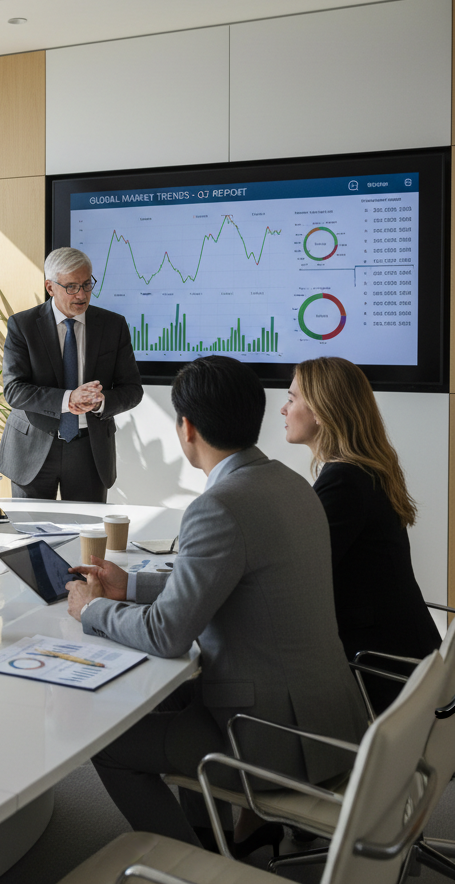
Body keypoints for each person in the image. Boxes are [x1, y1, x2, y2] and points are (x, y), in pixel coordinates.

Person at [66, 355, 366, 851]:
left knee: (110, 747)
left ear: (186, 428)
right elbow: (234, 581)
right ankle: (210, 838)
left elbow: (167, 634)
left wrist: (90, 609)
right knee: (169, 697)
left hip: (272, 738)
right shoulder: (292, 484)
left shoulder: (218, 506)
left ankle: (188, 866)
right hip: (330, 718)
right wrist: (132, 586)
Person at [282, 356, 440, 711]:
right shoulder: (366, 470)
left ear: (322, 411)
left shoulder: (344, 481)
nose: (283, 409)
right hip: (410, 658)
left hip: (379, 671)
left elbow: (300, 574)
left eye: (292, 399)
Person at [0, 247, 142, 502]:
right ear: (50, 287)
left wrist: (101, 401)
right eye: (72, 287)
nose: (82, 294)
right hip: (32, 449)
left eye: (87, 284)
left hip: (89, 449)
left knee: (88, 538)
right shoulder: (23, 325)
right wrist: (69, 399)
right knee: (32, 538)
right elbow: (15, 391)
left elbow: (132, 390)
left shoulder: (113, 325)